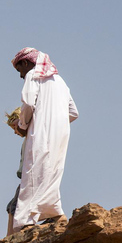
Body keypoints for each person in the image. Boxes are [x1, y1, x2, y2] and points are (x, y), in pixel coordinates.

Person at [9, 47, 78, 233]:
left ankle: (26, 223)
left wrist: (22, 125)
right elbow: (73, 112)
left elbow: (29, 103)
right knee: (51, 172)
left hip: (41, 133)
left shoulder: (33, 75)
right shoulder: (61, 82)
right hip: (61, 134)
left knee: (33, 173)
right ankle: (56, 215)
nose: (21, 76)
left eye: (19, 70)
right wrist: (56, 120)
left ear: (26, 63)